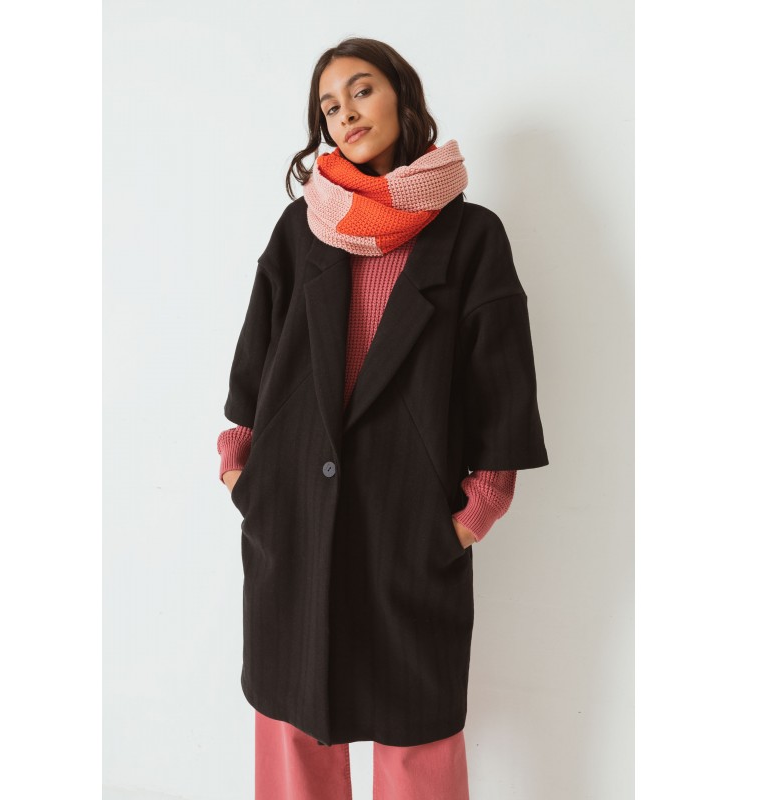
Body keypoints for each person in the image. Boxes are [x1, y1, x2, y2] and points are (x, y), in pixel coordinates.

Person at [216, 37, 549, 800]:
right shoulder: (301, 229)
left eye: (361, 90)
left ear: (402, 93)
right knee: (294, 730)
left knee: (417, 738)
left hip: (410, 525)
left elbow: (501, 385)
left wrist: (477, 508)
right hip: (295, 519)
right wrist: (245, 475)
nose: (346, 114)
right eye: (330, 106)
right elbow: (256, 367)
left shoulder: (472, 237)